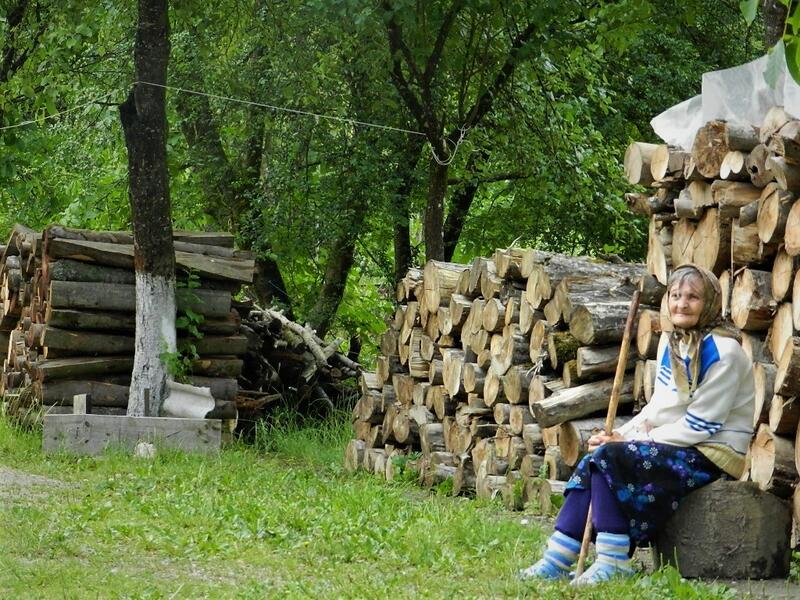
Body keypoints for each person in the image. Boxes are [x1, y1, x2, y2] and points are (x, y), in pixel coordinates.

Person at [519, 264, 755, 586]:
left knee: (611, 458)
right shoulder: (673, 344)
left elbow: (701, 426)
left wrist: (633, 444)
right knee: (597, 457)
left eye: (693, 297)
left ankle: (614, 560)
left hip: (713, 453)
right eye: (675, 296)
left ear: (711, 303)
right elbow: (658, 407)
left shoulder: (725, 352)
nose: (681, 304)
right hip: (676, 444)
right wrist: (619, 435)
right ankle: (557, 558)